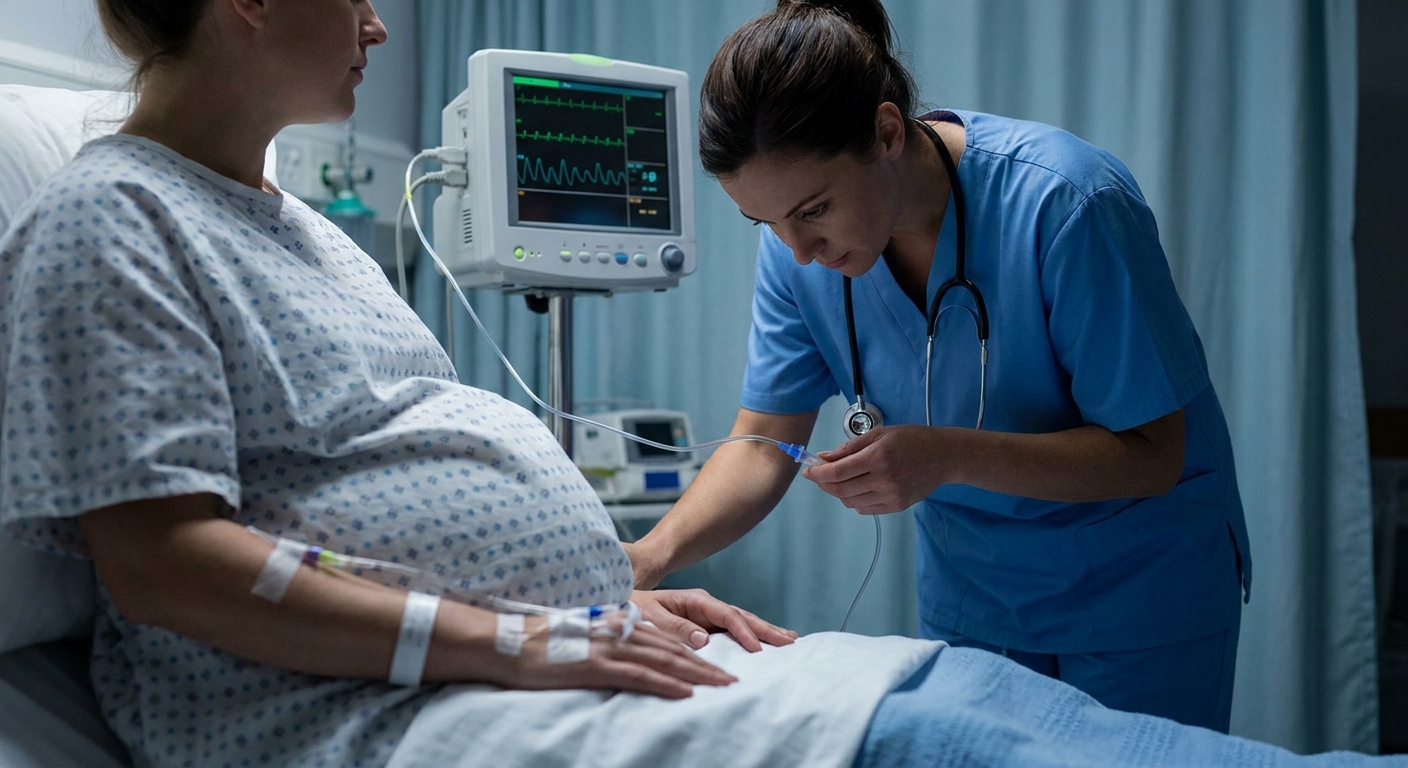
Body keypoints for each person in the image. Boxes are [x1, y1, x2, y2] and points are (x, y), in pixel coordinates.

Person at [0, 1, 793, 765]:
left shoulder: (310, 234)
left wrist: (592, 609)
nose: (377, 25)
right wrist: (517, 641)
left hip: (481, 676)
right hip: (340, 713)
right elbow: (165, 566)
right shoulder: (114, 217)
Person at [625, 0, 1252, 733]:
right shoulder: (798, 258)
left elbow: (1151, 455)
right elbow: (763, 443)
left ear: (888, 132)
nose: (799, 250)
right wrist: (647, 556)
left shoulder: (1067, 202)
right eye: (767, 223)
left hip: (1137, 592)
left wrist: (944, 455)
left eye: (814, 210)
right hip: (980, 599)